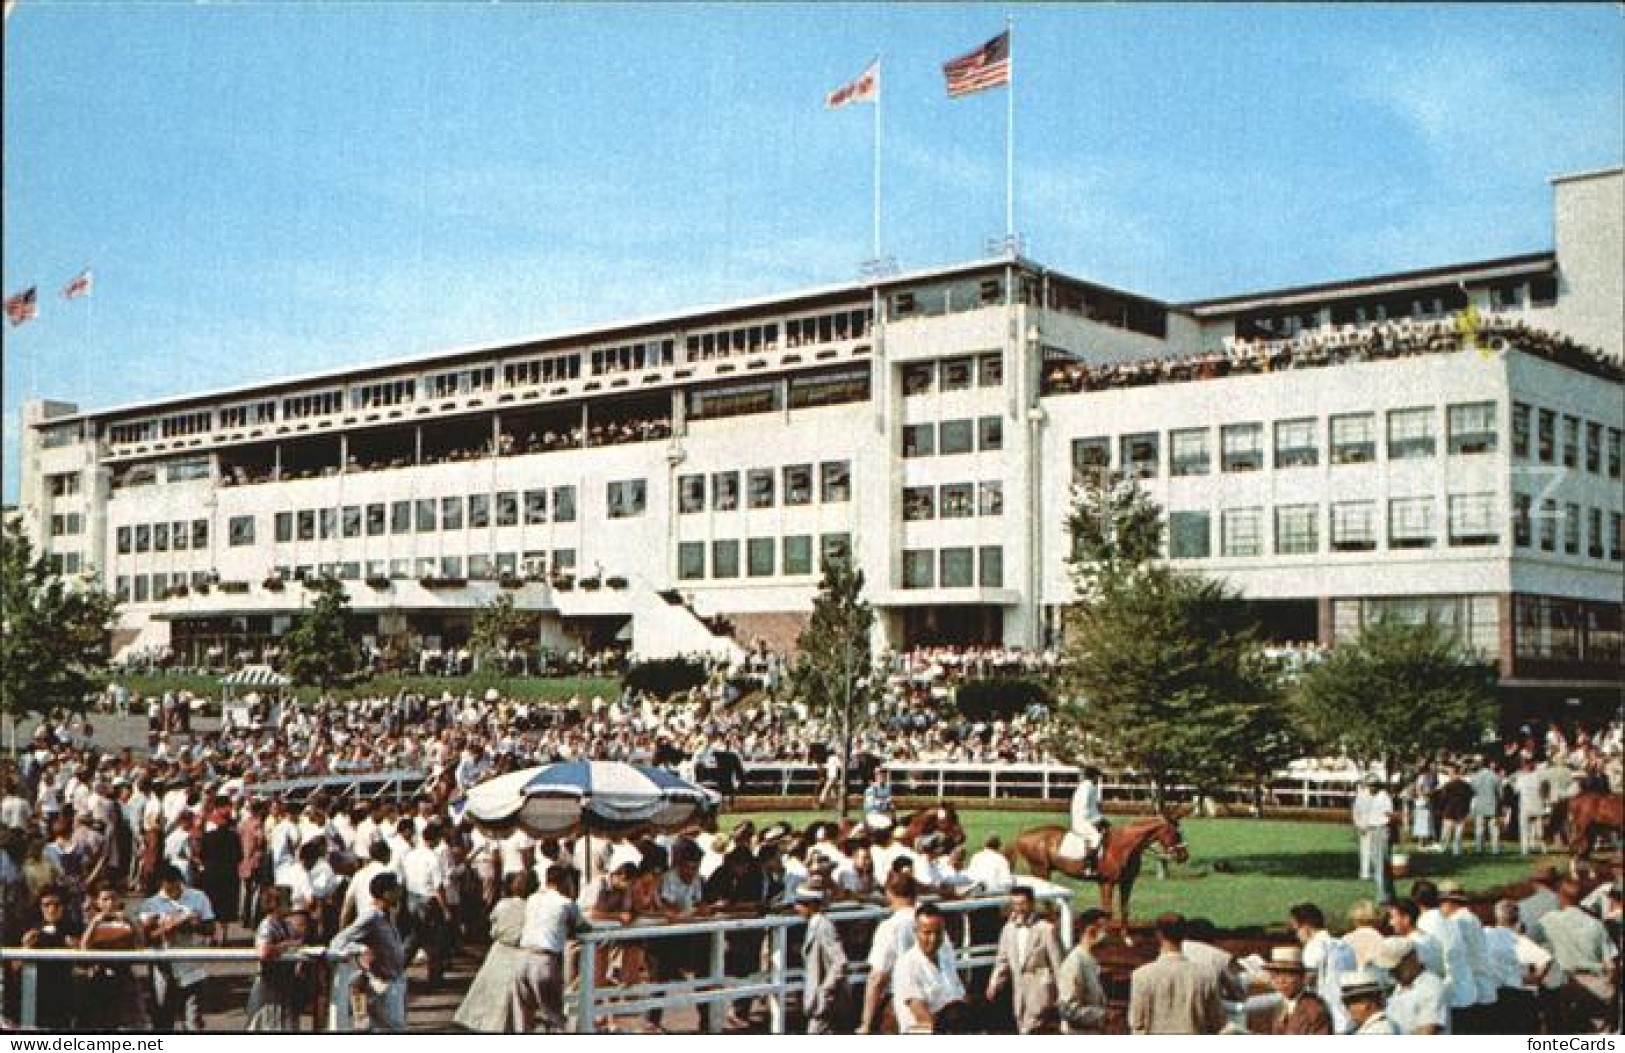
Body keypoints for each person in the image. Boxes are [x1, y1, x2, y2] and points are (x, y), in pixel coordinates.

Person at [1530, 879, 1618, 1033]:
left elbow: (1526, 941)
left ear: (1561, 897)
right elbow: (1611, 964)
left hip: (1570, 985)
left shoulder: (1550, 920)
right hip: (1599, 983)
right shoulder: (1596, 924)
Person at [139, 863, 219, 1031]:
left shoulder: (198, 897)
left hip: (192, 967)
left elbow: (210, 928)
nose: (172, 891)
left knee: (193, 1022)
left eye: (175, 886)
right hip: (163, 968)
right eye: (167, 887)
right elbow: (146, 939)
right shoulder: (150, 904)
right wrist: (167, 927)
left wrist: (191, 924)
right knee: (163, 1019)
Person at [329, 871, 409, 1033]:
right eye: (396, 889)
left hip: (395, 981)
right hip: (382, 984)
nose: (399, 893)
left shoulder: (387, 915)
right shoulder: (370, 916)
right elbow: (338, 942)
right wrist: (360, 951)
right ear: (386, 894)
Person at [453, 871, 531, 1032]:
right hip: (515, 950)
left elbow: (493, 928)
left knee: (493, 989)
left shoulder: (505, 905)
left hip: (503, 949)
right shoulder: (528, 906)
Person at [1127, 912, 1227, 1035]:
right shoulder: (1206, 976)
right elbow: (1217, 1022)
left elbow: (1137, 1022)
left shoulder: (1141, 976)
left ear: (1159, 935)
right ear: (1185, 934)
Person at [513, 864, 585, 1034]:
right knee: (554, 1016)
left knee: (524, 1016)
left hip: (522, 957)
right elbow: (582, 927)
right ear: (566, 881)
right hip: (544, 960)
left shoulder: (532, 899)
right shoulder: (566, 903)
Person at [986, 884, 1065, 1034]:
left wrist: (1062, 993)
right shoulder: (1008, 929)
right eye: (1015, 904)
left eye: (1022, 904)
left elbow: (1057, 963)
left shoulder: (1046, 929)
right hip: (1019, 991)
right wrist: (994, 983)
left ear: (1032, 903)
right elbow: (1002, 960)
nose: (1018, 908)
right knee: (1022, 1027)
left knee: (1029, 1030)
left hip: (1040, 990)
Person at [79, 882, 150, 1030]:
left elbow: (140, 946)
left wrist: (131, 921)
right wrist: (95, 922)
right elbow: (84, 947)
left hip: (125, 977)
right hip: (100, 977)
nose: (110, 903)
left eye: (113, 898)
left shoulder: (126, 922)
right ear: (98, 902)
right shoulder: (92, 923)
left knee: (130, 1024)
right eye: (105, 899)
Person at [892, 904, 966, 1034]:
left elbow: (959, 996)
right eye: (927, 933)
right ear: (916, 931)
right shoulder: (907, 965)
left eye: (938, 933)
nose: (933, 939)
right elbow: (921, 1016)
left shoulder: (946, 955)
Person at [859, 871, 918, 1033]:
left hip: (901, 1005)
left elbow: (877, 978)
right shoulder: (931, 921)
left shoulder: (890, 927)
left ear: (889, 893)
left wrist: (866, 1023)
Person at [1438, 880, 1499, 1033]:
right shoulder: (1472, 918)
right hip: (1483, 987)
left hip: (1473, 991)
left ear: (1448, 903)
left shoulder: (1457, 922)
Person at [19, 885, 82, 1030]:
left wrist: (77, 947)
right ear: (40, 907)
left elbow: (85, 963)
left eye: (56, 904)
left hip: (65, 993)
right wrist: (25, 947)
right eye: (47, 905)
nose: (52, 909)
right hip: (39, 992)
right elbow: (16, 966)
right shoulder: (31, 929)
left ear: (63, 907)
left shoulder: (74, 928)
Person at [1289, 901, 1356, 1033]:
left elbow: (1306, 981)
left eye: (1296, 930)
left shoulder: (1313, 947)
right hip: (1350, 1018)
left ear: (1306, 927)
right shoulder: (1344, 945)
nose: (1297, 935)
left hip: (1329, 1019)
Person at [247, 885, 306, 1031]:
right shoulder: (267, 926)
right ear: (275, 905)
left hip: (285, 985)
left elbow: (299, 940)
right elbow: (264, 951)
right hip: (268, 986)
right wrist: (285, 945)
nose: (291, 905)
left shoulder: (287, 925)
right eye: (287, 902)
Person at [795, 886, 850, 1033]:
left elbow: (840, 961)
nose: (796, 907)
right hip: (820, 1001)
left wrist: (826, 989)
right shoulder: (815, 925)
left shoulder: (824, 926)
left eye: (801, 903)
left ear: (813, 905)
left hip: (825, 1002)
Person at [1375, 936, 1450, 1034]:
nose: (1391, 973)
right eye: (1390, 969)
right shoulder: (1401, 984)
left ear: (1412, 958)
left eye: (1396, 968)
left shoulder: (1430, 987)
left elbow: (1428, 1031)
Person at [1057, 907, 1111, 1033]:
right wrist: (1104, 1015)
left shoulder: (1090, 960)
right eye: (1105, 930)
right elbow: (1068, 1010)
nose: (1107, 935)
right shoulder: (1074, 963)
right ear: (1091, 930)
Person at [1262, 945, 1333, 1035]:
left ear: (1302, 978)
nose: (1281, 981)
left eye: (1288, 975)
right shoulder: (1282, 1005)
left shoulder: (1314, 1009)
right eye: (1276, 975)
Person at [1352, 775, 1393, 898]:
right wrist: (1360, 825)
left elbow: (1388, 814)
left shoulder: (1383, 796)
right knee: (1370, 854)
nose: (1372, 787)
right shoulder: (1362, 796)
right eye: (1370, 785)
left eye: (1374, 785)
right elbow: (1356, 811)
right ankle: (1367, 874)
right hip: (1369, 827)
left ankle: (1384, 893)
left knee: (1381, 861)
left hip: (1380, 829)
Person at [1067, 765, 1105, 877]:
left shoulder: (1091, 787)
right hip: (1081, 821)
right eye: (1097, 777)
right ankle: (1088, 867)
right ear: (1093, 777)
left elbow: (1093, 807)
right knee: (1096, 837)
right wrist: (1097, 820)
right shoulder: (1085, 788)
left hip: (1089, 820)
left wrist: (1101, 819)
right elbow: (1084, 808)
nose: (1098, 780)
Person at [1341, 968, 1401, 1034]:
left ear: (1368, 1003)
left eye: (1350, 1002)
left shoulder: (1379, 1029)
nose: (1349, 1008)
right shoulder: (1373, 1026)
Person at [1515, 756, 1550, 855]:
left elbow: (1517, 790)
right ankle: (1544, 849)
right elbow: (1546, 787)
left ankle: (1525, 850)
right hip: (1538, 805)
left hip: (1525, 806)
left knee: (1524, 830)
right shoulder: (1540, 776)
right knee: (1540, 829)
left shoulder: (1520, 777)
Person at [1437, 765, 1474, 856]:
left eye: (1450, 773)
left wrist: (1440, 809)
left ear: (1454, 773)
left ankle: (1443, 848)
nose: (1449, 775)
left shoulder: (1448, 785)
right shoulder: (1466, 785)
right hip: (1462, 811)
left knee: (1446, 831)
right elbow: (1470, 798)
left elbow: (1443, 799)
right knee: (1459, 832)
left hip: (1449, 810)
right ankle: (1457, 850)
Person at [1468, 759, 1503, 854]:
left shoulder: (1474, 777)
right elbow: (1500, 794)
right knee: (1494, 829)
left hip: (1479, 804)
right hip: (1492, 804)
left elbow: (1472, 791)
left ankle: (1479, 849)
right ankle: (1496, 849)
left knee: (1479, 828)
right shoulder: (1495, 776)